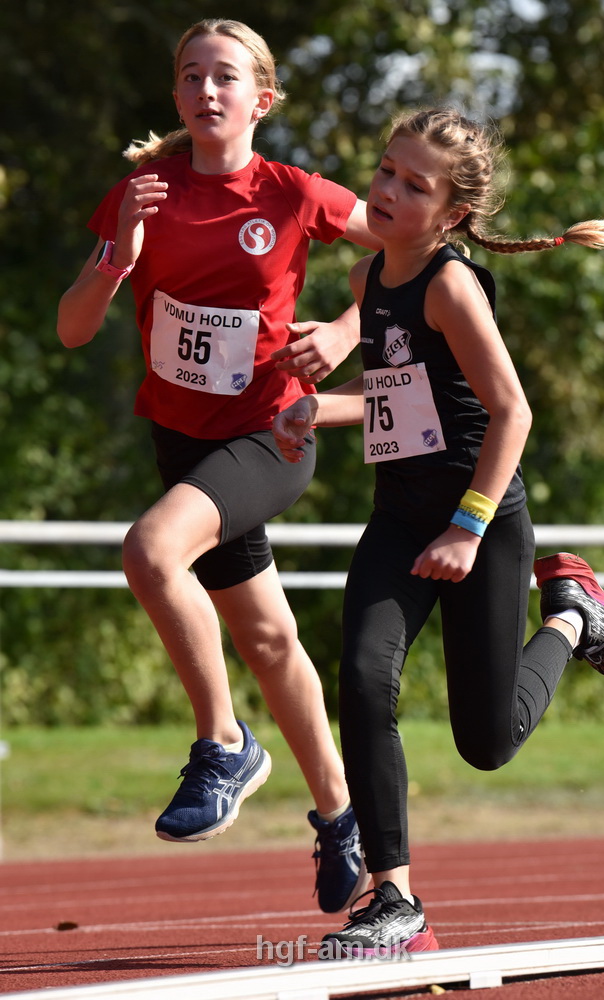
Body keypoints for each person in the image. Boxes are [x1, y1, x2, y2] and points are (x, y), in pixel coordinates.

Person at [272, 106, 604, 955]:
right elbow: (401, 401)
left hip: (480, 518)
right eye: (386, 171)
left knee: (488, 742)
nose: (389, 190)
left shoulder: (448, 284)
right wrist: (312, 411)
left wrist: (469, 528)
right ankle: (392, 900)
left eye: (415, 184)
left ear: (451, 214)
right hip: (399, 521)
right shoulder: (370, 282)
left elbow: (512, 411)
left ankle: (577, 615)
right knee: (362, 681)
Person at [57, 17, 382, 914]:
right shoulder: (143, 193)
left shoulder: (293, 192)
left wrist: (350, 331)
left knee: (151, 553)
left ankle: (223, 744)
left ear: (261, 100)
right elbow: (73, 326)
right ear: (175, 96)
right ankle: (340, 817)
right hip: (184, 444)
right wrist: (117, 258)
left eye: (225, 77)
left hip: (270, 437)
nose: (206, 90)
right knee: (271, 639)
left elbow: (397, 249)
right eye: (190, 75)